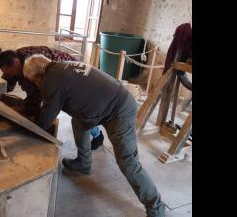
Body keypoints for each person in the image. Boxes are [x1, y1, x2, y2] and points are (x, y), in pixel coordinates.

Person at [23, 55, 165, 217]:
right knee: (79, 123)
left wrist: (28, 129)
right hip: (106, 105)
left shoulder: (52, 79)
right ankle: (84, 163)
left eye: (34, 80)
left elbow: (46, 119)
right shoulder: (60, 67)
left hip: (119, 111)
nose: (36, 84)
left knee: (128, 162)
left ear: (38, 76)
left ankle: (156, 208)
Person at [0, 46, 104, 150]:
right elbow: (7, 81)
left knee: (78, 110)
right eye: (8, 73)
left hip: (71, 76)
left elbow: (37, 96)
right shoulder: (12, 59)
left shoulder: (32, 66)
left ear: (16, 63)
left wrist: (36, 123)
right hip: (58, 77)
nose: (11, 75)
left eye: (12, 72)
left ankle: (97, 135)